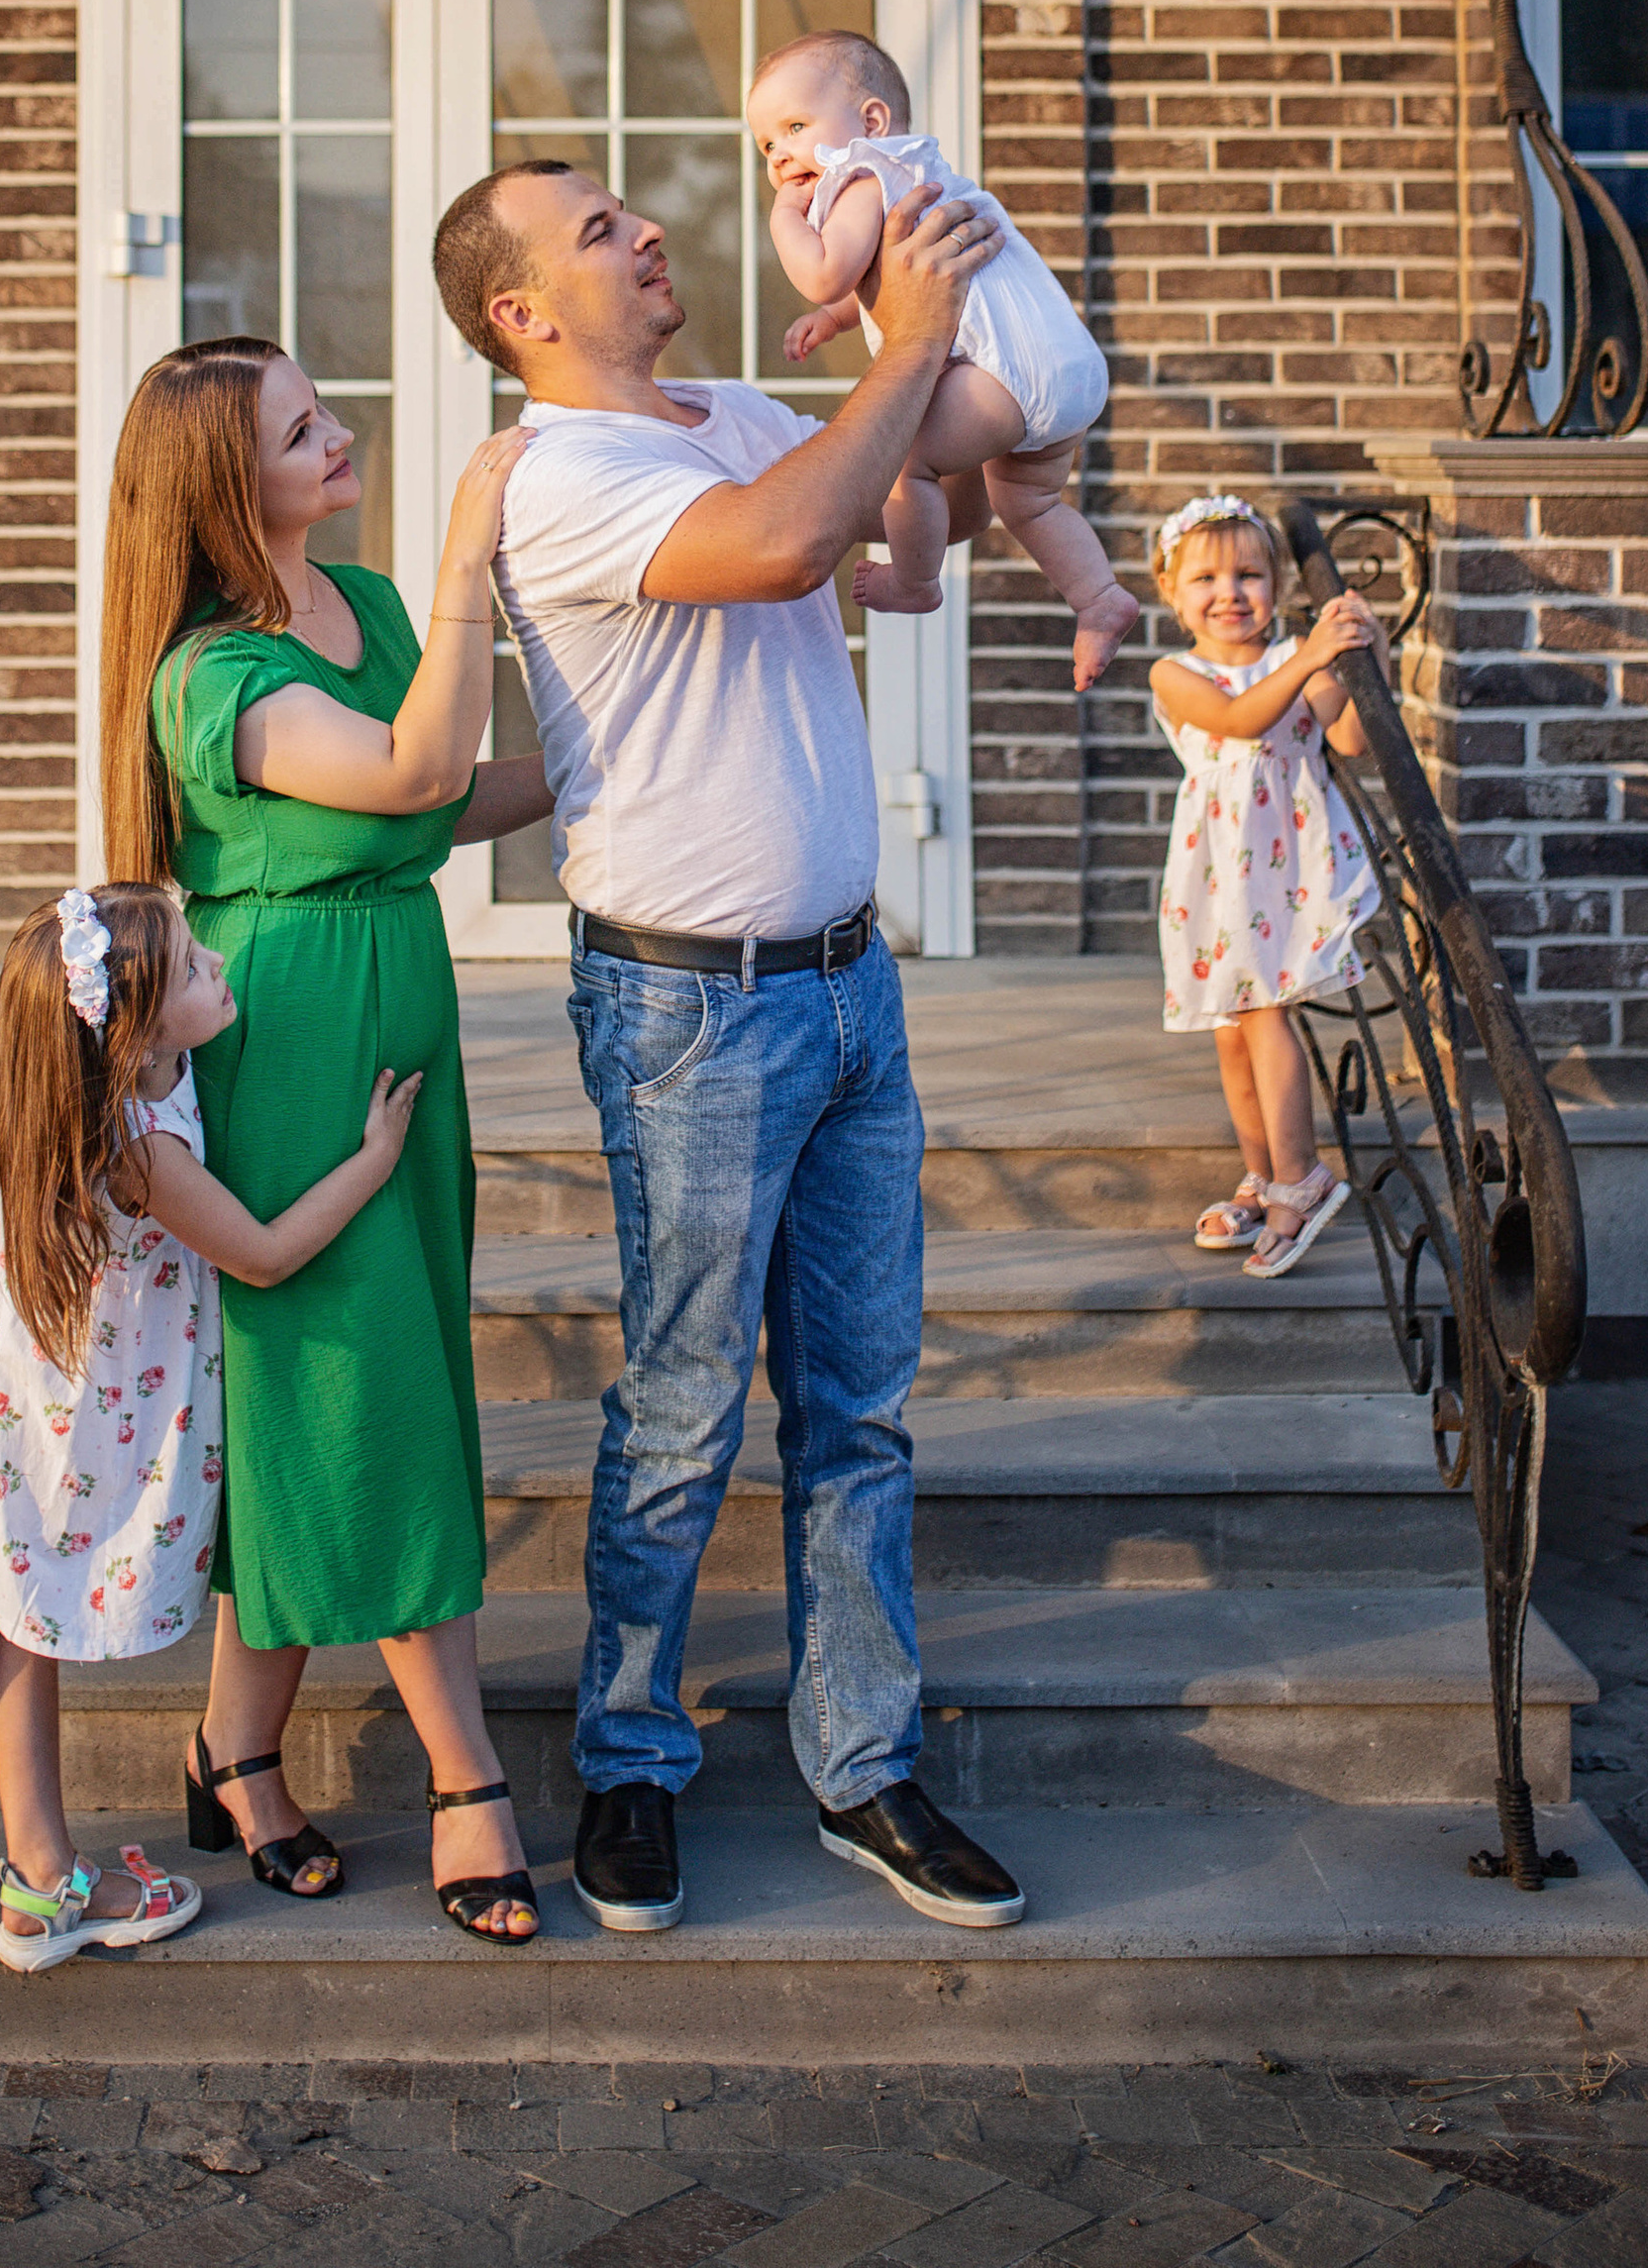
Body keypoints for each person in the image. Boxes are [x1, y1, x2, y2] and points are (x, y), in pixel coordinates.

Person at [433, 153, 1028, 1939]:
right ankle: (631, 1763)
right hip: (688, 1008)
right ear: (523, 313)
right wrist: (900, 364)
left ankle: (865, 1769)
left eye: (631, 207)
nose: (644, 229)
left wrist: (912, 408)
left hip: (855, 987)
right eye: (596, 228)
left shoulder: (746, 407)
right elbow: (781, 541)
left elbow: (904, 563)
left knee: (860, 1407)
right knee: (685, 1412)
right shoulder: (554, 477)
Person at [100, 337, 558, 1943]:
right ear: (231, 486)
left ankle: (232, 1750)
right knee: (367, 1389)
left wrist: (611, 758)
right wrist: (468, 564)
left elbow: (442, 805)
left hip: (399, 1017)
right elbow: (413, 760)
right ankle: (465, 1775)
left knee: (349, 1380)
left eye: (325, 410)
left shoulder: (354, 610)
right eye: (306, 428)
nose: (342, 433)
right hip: (288, 1046)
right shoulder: (209, 677)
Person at [0, 881, 416, 1970]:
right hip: (60, 1437)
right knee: (12, 1631)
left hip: (16, 1406)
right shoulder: (134, 1142)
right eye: (190, 967)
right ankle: (37, 1892)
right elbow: (260, 1256)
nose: (218, 964)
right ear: (130, 1028)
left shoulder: (101, 1083)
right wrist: (373, 1160)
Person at [748, 29, 1137, 690]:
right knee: (1031, 504)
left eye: (794, 126)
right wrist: (837, 320)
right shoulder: (920, 175)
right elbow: (879, 279)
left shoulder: (863, 177)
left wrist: (785, 219)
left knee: (903, 453)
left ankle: (916, 580)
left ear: (870, 122)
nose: (782, 156)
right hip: (1064, 367)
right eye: (766, 145)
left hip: (1002, 379)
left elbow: (825, 272)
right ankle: (1099, 599)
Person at [1149, 494, 1385, 1277]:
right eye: (1206, 578)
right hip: (1219, 868)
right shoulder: (1176, 672)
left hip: (1285, 863)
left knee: (1263, 1012)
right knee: (1230, 1027)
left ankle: (1302, 1179)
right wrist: (1309, 656)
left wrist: (1361, 660)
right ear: (1171, 592)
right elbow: (1242, 719)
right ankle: (1263, 1173)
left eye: (1250, 574)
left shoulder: (1299, 657)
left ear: (1277, 586)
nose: (1229, 593)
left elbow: (1345, 737)